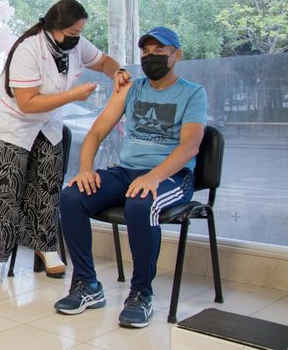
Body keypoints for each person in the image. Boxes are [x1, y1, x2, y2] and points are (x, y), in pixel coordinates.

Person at [0, 0, 130, 283]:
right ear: (55, 27)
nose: (77, 39)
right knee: (6, 188)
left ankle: (45, 247)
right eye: (72, 33)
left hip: (47, 122)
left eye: (80, 33)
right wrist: (72, 96)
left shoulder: (76, 44)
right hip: (12, 123)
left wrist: (118, 72)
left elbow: (102, 61)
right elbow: (27, 103)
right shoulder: (29, 49)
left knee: (49, 183)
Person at [54, 27, 207, 328]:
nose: (151, 57)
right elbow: (96, 132)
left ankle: (141, 294)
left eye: (159, 51)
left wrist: (153, 177)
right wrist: (85, 170)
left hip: (173, 176)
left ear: (176, 55)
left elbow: (191, 146)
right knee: (71, 196)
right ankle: (87, 286)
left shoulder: (193, 93)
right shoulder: (131, 89)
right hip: (127, 172)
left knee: (140, 203)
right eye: (145, 52)